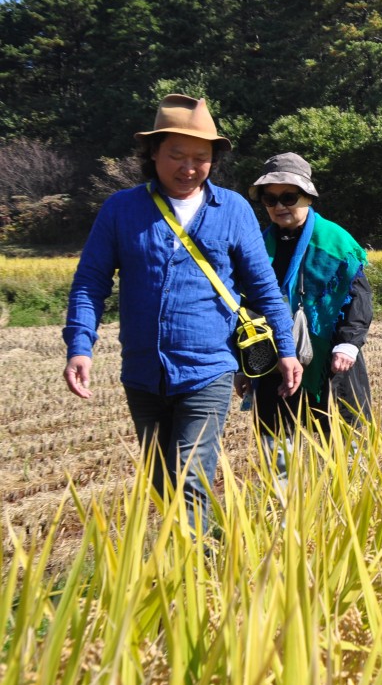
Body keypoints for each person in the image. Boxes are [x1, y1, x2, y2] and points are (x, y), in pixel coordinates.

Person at [63, 95, 301, 532]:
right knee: (161, 482)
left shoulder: (232, 210)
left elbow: (264, 288)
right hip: (142, 372)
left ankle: (198, 580)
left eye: (201, 157)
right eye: (177, 154)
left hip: (207, 369)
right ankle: (217, 552)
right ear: (153, 153)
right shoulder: (121, 209)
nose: (189, 167)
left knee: (190, 477)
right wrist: (81, 344)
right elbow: (90, 280)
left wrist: (285, 348)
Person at [241, 153, 372, 478]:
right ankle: (283, 515)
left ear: (308, 196)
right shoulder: (258, 245)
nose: (279, 205)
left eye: (289, 196)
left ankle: (350, 510)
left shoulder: (336, 242)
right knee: (276, 451)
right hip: (274, 363)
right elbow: (247, 307)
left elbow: (359, 299)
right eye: (270, 199)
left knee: (345, 448)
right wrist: (245, 365)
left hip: (331, 364)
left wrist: (347, 345)